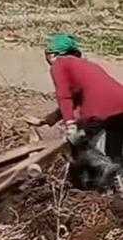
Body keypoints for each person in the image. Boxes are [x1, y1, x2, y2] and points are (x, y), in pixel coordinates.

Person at [26, 33, 123, 188]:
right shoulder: (85, 65)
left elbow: (64, 96)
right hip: (120, 106)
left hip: (99, 110)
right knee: (114, 153)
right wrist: (47, 120)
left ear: (52, 54)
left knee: (77, 143)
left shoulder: (60, 64)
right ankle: (117, 189)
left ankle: (90, 184)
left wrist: (70, 126)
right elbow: (76, 99)